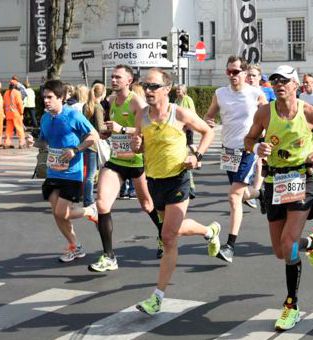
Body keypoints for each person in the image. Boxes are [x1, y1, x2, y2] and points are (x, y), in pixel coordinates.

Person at [242, 65, 313, 331]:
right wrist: (257, 146)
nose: (279, 85)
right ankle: (312, 242)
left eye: (284, 81)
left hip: (302, 179)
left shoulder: (311, 113)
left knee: (288, 241)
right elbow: (248, 139)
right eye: (275, 81)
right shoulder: (264, 112)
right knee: (280, 250)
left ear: (295, 85)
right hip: (274, 181)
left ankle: (291, 305)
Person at [131, 68, 223, 316]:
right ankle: (209, 231)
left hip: (178, 179)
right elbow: (138, 146)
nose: (148, 91)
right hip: (155, 180)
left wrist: (197, 156)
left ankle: (157, 297)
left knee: (168, 237)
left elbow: (208, 131)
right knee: (175, 229)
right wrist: (136, 145)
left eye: (153, 86)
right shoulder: (142, 115)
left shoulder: (179, 113)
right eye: (145, 86)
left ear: (167, 89)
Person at [90, 65, 163, 271]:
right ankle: (109, 256)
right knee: (102, 204)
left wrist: (122, 129)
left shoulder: (137, 102)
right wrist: (108, 133)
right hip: (117, 160)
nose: (113, 80)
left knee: (147, 205)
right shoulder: (112, 100)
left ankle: (163, 235)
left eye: (118, 77)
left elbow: (148, 129)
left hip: (137, 161)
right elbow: (114, 130)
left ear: (129, 81)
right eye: (112, 77)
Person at [203, 56, 267, 262]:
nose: (232, 75)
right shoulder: (220, 93)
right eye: (229, 71)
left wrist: (265, 137)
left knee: (233, 197)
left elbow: (268, 117)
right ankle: (260, 193)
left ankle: (230, 245)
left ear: (245, 73)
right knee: (241, 195)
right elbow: (209, 115)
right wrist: (208, 121)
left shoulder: (256, 93)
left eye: (236, 72)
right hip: (228, 151)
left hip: (248, 149)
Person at [37, 79, 100, 264]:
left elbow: (94, 135)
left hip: (72, 173)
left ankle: (89, 210)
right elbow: (44, 141)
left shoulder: (73, 115)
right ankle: (75, 246)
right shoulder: (45, 118)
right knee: (57, 213)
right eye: (44, 98)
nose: (46, 101)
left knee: (62, 213)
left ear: (61, 98)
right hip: (53, 172)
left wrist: (75, 149)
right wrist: (35, 142)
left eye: (50, 97)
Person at [81, 83, 106, 209]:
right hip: (94, 143)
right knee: (91, 174)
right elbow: (100, 128)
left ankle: (85, 196)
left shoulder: (86, 106)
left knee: (87, 173)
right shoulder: (98, 107)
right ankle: (88, 200)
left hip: (84, 141)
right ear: (103, 93)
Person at [3, 80, 26, 148]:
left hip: (8, 114)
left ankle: (7, 142)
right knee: (19, 128)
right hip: (16, 114)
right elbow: (19, 103)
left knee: (8, 130)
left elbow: (4, 104)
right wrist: (21, 112)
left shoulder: (6, 93)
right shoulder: (17, 93)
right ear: (16, 86)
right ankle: (21, 142)